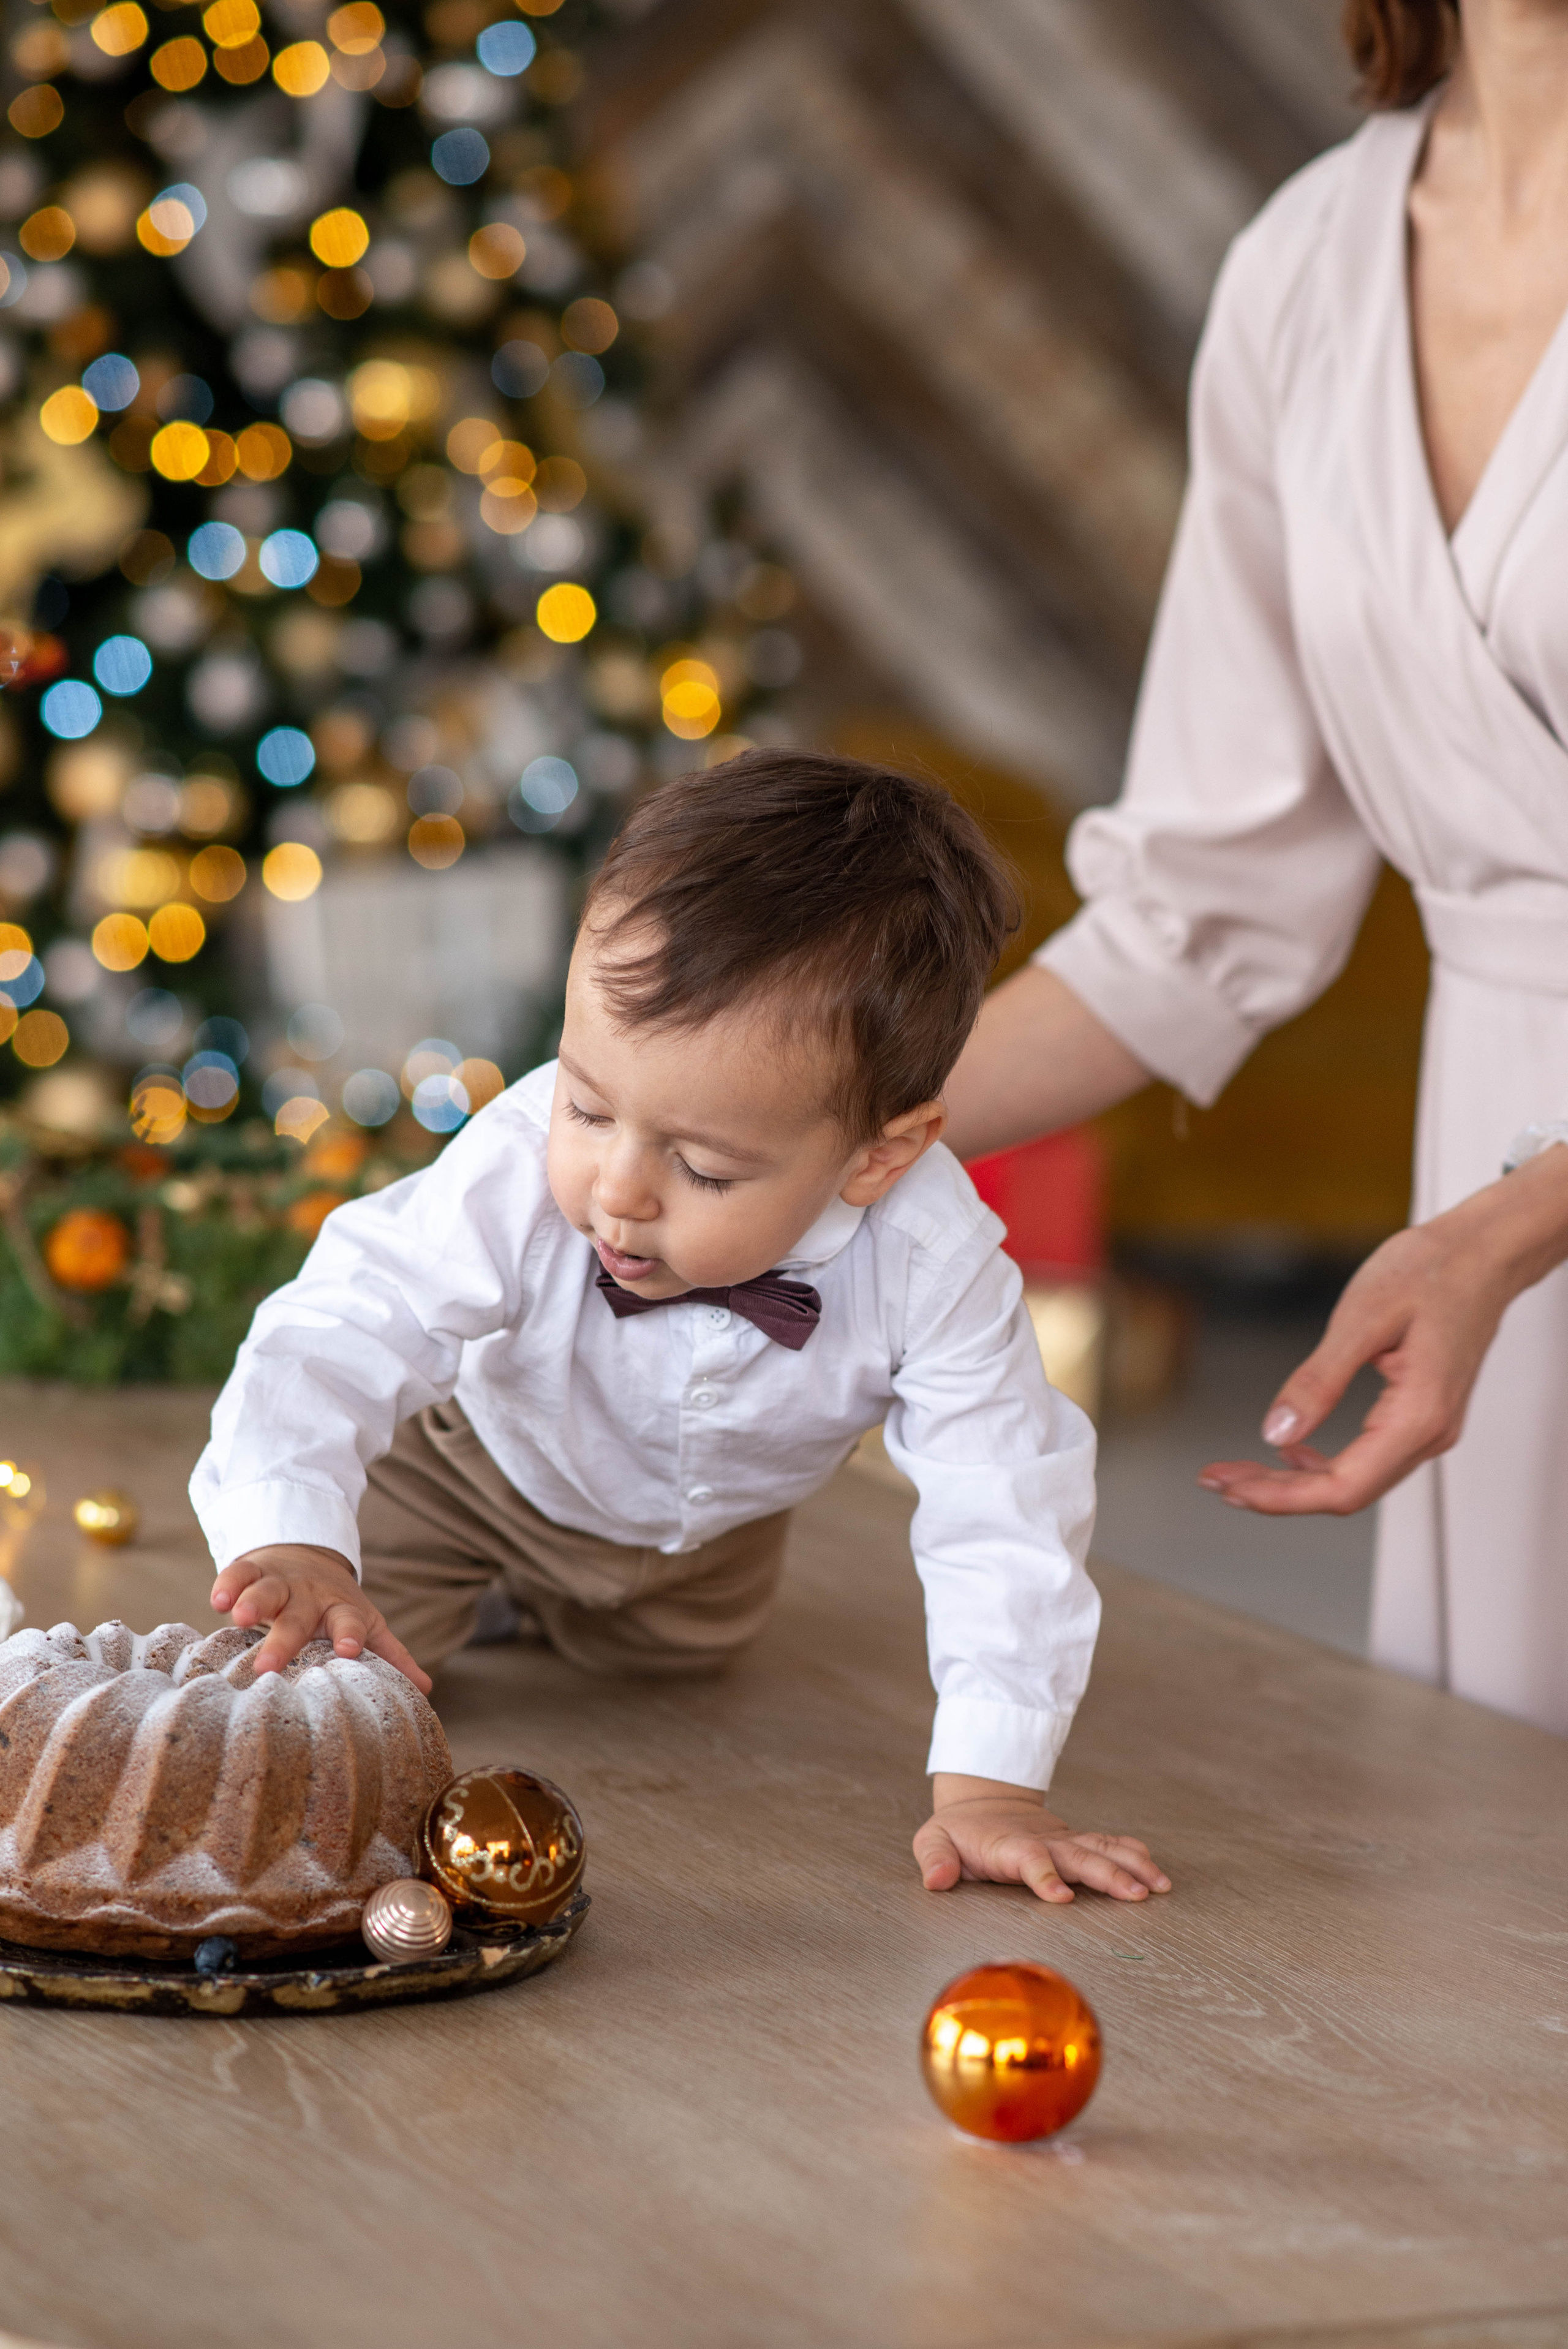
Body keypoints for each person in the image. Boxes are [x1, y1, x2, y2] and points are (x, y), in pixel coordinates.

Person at [190, 751, 1169, 1909]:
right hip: (468, 1477)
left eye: (702, 1167)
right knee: (344, 1678)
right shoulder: (514, 1169)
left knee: (668, 1672)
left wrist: (992, 1788)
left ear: (880, 1155)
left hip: (705, 1549)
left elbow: (1002, 1503)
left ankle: (549, 1608)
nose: (618, 1191)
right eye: (589, 1107)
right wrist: (296, 1538)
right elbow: (348, 1320)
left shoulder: (935, 1257)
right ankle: (460, 1588)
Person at [943, 0, 1568, 1736]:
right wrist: (798, 1120)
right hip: (1488, 1204)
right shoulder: (1310, 266)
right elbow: (1198, 912)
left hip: (1500, 1233)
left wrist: (1518, 1228)